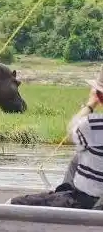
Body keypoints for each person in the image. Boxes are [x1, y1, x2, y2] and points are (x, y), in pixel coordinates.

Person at [10, 65, 103, 209]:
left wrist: (91, 104)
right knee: (79, 158)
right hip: (89, 199)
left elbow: (73, 128)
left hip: (86, 203)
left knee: (15, 203)